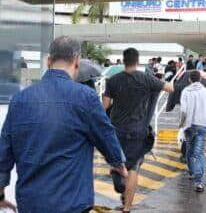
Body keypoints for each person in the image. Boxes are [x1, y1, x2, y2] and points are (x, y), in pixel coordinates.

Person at [0, 36, 127, 213]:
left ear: (49, 61)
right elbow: (107, 138)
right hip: (72, 203)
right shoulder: (86, 98)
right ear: (76, 61)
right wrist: (119, 166)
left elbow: (4, 153)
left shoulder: (20, 99)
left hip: (31, 203)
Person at [103, 48, 174, 212]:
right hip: (138, 131)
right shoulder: (146, 79)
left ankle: (118, 176)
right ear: (137, 61)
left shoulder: (113, 80)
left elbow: (105, 107)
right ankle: (127, 207)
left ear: (124, 60)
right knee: (134, 167)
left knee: (118, 162)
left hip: (116, 131)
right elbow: (170, 88)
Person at [179, 70, 206, 192]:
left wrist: (181, 126)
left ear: (189, 80)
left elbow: (183, 111)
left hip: (189, 126)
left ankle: (192, 172)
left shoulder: (185, 91)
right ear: (200, 79)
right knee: (199, 153)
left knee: (189, 149)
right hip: (203, 125)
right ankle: (199, 182)